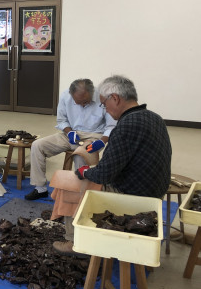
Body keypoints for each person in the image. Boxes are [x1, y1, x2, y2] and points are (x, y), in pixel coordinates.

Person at [53, 75, 172, 255]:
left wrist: (85, 172)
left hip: (134, 195)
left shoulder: (125, 126)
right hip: (155, 189)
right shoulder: (154, 117)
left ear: (115, 98)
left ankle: (75, 242)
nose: (105, 110)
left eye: (104, 104)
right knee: (77, 179)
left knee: (68, 186)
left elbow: (104, 175)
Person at [25, 78, 116, 201]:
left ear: (92, 92)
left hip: (93, 135)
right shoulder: (65, 96)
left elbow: (111, 126)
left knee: (81, 156)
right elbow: (62, 120)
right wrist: (69, 132)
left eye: (86, 102)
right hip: (70, 134)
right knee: (37, 145)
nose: (83, 105)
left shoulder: (103, 97)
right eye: (78, 102)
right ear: (72, 95)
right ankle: (40, 188)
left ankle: (82, 194)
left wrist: (102, 141)